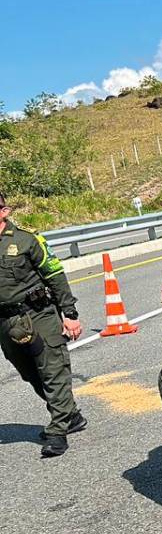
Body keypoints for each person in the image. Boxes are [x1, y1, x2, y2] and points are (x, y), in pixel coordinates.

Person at [0, 193, 86, 458]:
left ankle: (58, 431)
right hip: (6, 322)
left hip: (38, 315)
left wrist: (69, 314)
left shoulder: (26, 239)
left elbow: (55, 275)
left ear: (4, 211)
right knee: (29, 373)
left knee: (52, 371)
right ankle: (70, 416)